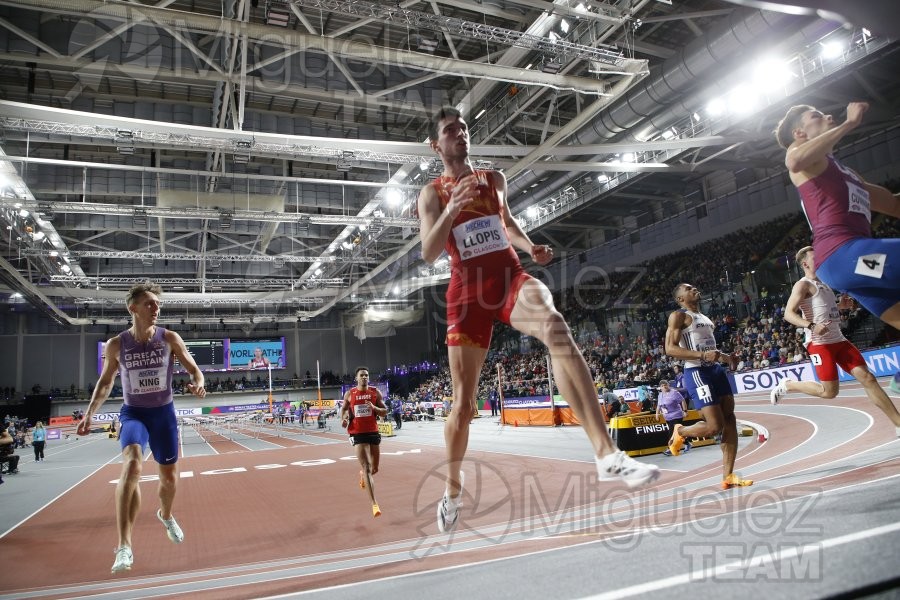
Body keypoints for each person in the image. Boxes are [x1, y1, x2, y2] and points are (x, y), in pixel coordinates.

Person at [418, 106, 659, 533]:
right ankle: (452, 490)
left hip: (509, 276)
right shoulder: (432, 193)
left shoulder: (494, 180)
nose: (460, 134)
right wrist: (452, 209)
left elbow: (505, 221)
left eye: (464, 128)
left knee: (556, 328)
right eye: (450, 131)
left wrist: (530, 248)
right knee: (464, 405)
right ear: (437, 145)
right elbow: (428, 252)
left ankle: (606, 453)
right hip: (466, 295)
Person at [77, 283, 206, 574]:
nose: (156, 308)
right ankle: (124, 545)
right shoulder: (117, 344)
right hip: (134, 414)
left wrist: (198, 384)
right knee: (132, 465)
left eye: (158, 304)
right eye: (149, 303)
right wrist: (89, 414)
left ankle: (166, 514)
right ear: (132, 308)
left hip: (164, 415)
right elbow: (106, 382)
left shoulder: (170, 338)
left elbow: (194, 370)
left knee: (169, 480)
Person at [776, 102, 900, 395]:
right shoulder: (800, 156)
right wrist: (849, 123)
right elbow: (795, 162)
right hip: (844, 256)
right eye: (817, 116)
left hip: (853, 263)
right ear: (799, 132)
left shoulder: (846, 172)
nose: (828, 116)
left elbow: (893, 204)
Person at [770, 247, 900, 436]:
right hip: (819, 344)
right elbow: (788, 314)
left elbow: (823, 308)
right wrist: (811, 326)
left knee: (868, 378)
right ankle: (789, 384)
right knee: (829, 392)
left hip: (838, 339)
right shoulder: (802, 285)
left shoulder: (826, 282)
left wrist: (841, 306)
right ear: (805, 263)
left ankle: (897, 423)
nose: (821, 258)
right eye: (816, 257)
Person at [664, 283, 752, 490]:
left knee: (730, 418)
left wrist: (725, 356)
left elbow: (708, 347)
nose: (694, 288)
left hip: (716, 371)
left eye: (695, 287)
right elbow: (670, 349)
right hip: (696, 372)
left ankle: (728, 476)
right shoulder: (678, 316)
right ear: (680, 299)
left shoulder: (704, 318)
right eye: (688, 288)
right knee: (714, 426)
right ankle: (681, 432)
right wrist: (703, 356)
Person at [340, 366, 387, 518]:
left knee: (374, 469)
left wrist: (374, 407)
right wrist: (344, 418)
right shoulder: (350, 393)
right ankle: (374, 504)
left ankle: (362, 475)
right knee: (367, 466)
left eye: (366, 375)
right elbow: (345, 409)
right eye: (362, 375)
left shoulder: (375, 392)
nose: (365, 377)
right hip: (357, 433)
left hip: (372, 431)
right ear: (356, 378)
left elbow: (385, 411)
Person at [656, 380, 691, 456]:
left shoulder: (674, 392)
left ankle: (670, 448)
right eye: (662, 386)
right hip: (667, 416)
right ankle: (687, 443)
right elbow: (659, 405)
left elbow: (682, 401)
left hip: (676, 415)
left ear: (668, 385)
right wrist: (657, 414)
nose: (664, 386)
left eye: (666, 385)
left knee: (671, 432)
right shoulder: (660, 395)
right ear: (660, 387)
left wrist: (685, 411)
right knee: (678, 432)